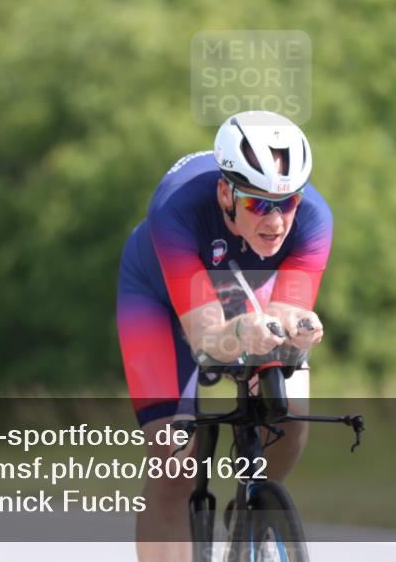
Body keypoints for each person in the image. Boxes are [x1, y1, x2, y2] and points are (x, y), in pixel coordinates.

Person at [117, 111, 333, 562]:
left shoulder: (314, 219)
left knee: (290, 417)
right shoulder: (176, 208)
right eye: (257, 204)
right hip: (158, 298)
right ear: (225, 193)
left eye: (287, 203)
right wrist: (244, 333)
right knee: (174, 458)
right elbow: (207, 338)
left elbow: (286, 314)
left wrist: (295, 331)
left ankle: (252, 514)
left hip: (241, 288)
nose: (276, 221)